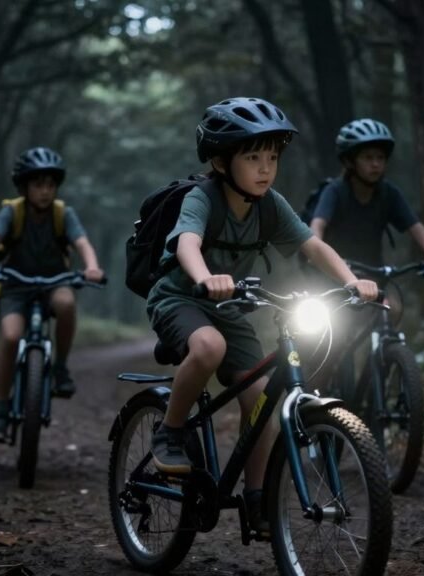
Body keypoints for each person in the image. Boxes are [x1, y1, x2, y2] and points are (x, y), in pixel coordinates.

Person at [146, 97, 378, 533]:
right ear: (220, 160)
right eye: (252, 157)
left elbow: (314, 246)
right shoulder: (203, 198)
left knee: (260, 401)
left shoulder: (270, 204)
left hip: (231, 307)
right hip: (180, 297)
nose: (265, 168)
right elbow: (187, 245)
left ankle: (257, 499)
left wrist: (352, 281)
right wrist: (205, 277)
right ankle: (170, 432)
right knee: (209, 346)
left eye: (272, 157)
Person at [0, 147, 104, 442]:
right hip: (15, 285)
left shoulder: (63, 214)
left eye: (50, 185)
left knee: (66, 303)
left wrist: (92, 267)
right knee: (9, 337)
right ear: (24, 187)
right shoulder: (12, 212)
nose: (45, 191)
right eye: (38, 185)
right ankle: (1, 411)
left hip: (56, 281)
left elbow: (82, 244)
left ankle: (60, 368)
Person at [309, 118, 424, 272]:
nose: (375, 164)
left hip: (375, 275)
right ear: (349, 162)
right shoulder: (335, 191)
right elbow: (317, 226)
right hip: (331, 276)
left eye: (380, 157)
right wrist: (317, 254)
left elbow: (416, 227)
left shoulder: (388, 193)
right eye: (368, 157)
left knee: (391, 297)